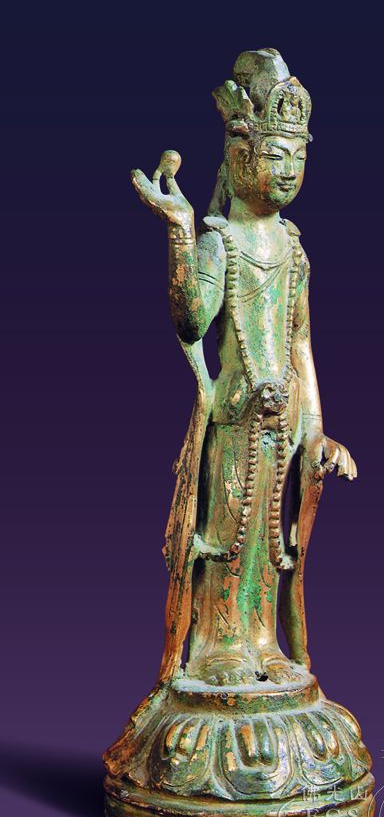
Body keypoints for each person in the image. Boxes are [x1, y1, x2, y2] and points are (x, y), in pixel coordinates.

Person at [131, 49, 357, 688]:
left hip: (283, 424)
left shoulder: (294, 249)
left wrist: (316, 430)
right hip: (234, 420)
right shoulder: (220, 241)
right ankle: (218, 644)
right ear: (238, 155)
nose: (287, 172)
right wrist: (180, 230)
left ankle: (263, 641)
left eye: (297, 158)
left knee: (269, 545)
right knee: (224, 534)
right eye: (275, 156)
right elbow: (191, 321)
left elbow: (301, 343)